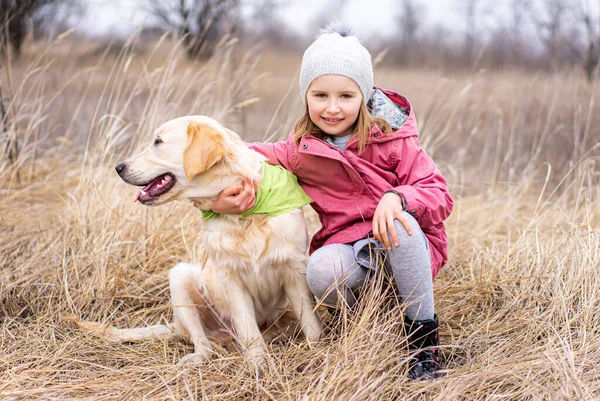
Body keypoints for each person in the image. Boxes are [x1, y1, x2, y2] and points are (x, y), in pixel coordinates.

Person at [209, 25, 453, 380]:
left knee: (401, 225)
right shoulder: (301, 152)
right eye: (320, 95)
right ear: (306, 96)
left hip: (407, 244)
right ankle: (363, 323)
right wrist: (216, 202)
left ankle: (423, 341)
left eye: (346, 96)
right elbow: (240, 157)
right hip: (350, 250)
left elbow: (439, 193)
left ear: (364, 96)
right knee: (319, 270)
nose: (333, 108)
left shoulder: (393, 139)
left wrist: (397, 197)